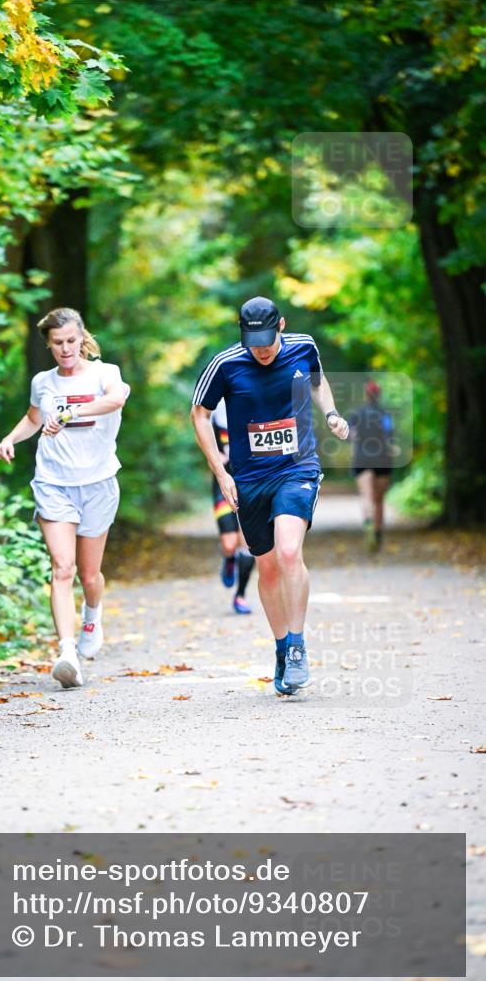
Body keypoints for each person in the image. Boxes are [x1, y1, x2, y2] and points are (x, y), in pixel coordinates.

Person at [191, 296, 349, 696]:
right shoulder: (226, 364)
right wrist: (219, 471)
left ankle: (297, 647)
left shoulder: (303, 346)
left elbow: (318, 381)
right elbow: (199, 413)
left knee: (289, 552)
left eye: (266, 339)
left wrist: (330, 413)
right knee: (268, 567)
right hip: (249, 478)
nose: (260, 349)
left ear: (281, 325)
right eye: (252, 341)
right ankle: (281, 648)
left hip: (297, 468)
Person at [0, 307, 129, 689]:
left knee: (89, 575)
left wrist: (71, 413)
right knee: (62, 568)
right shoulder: (43, 382)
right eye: (57, 343)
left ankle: (92, 612)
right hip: (54, 482)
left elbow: (115, 401)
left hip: (98, 482)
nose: (65, 349)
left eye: (71, 341)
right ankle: (67, 653)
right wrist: (9, 439)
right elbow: (35, 418)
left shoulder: (106, 374)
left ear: (82, 338)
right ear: (49, 344)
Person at [211, 398, 255, 614]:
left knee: (248, 543)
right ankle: (229, 558)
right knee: (230, 544)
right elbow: (201, 433)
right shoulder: (214, 406)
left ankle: (240, 595)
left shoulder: (255, 401)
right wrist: (215, 455)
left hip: (251, 481)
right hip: (224, 482)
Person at [349, 379, 394, 552]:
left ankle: (368, 523)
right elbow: (390, 435)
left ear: (367, 394)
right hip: (383, 459)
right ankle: (378, 532)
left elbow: (351, 435)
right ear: (379, 394)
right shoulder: (385, 414)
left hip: (362, 459)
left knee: (367, 497)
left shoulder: (357, 414)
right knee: (379, 500)